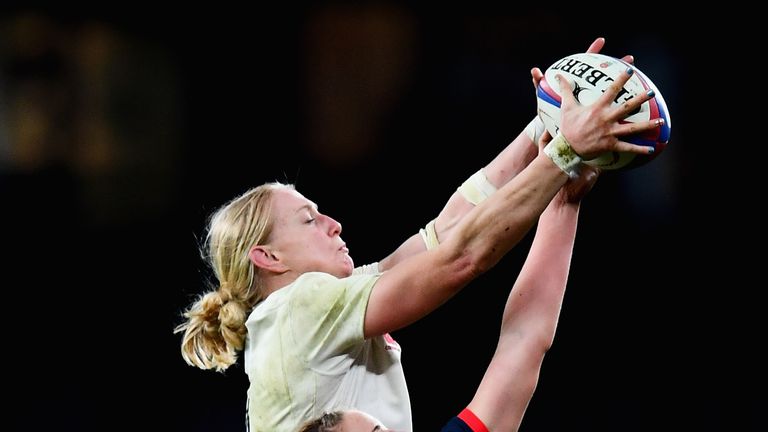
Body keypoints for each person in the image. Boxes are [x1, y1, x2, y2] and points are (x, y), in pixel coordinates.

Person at [175, 37, 663, 431]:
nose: (334, 223)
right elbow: (459, 259)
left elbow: (448, 234)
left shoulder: (318, 319)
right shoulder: (294, 310)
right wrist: (561, 154)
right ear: (268, 257)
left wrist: (548, 131)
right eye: (308, 219)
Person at [296, 133, 599, 432]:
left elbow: (523, 341)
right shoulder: (288, 320)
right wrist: (561, 157)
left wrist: (563, 202)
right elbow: (465, 263)